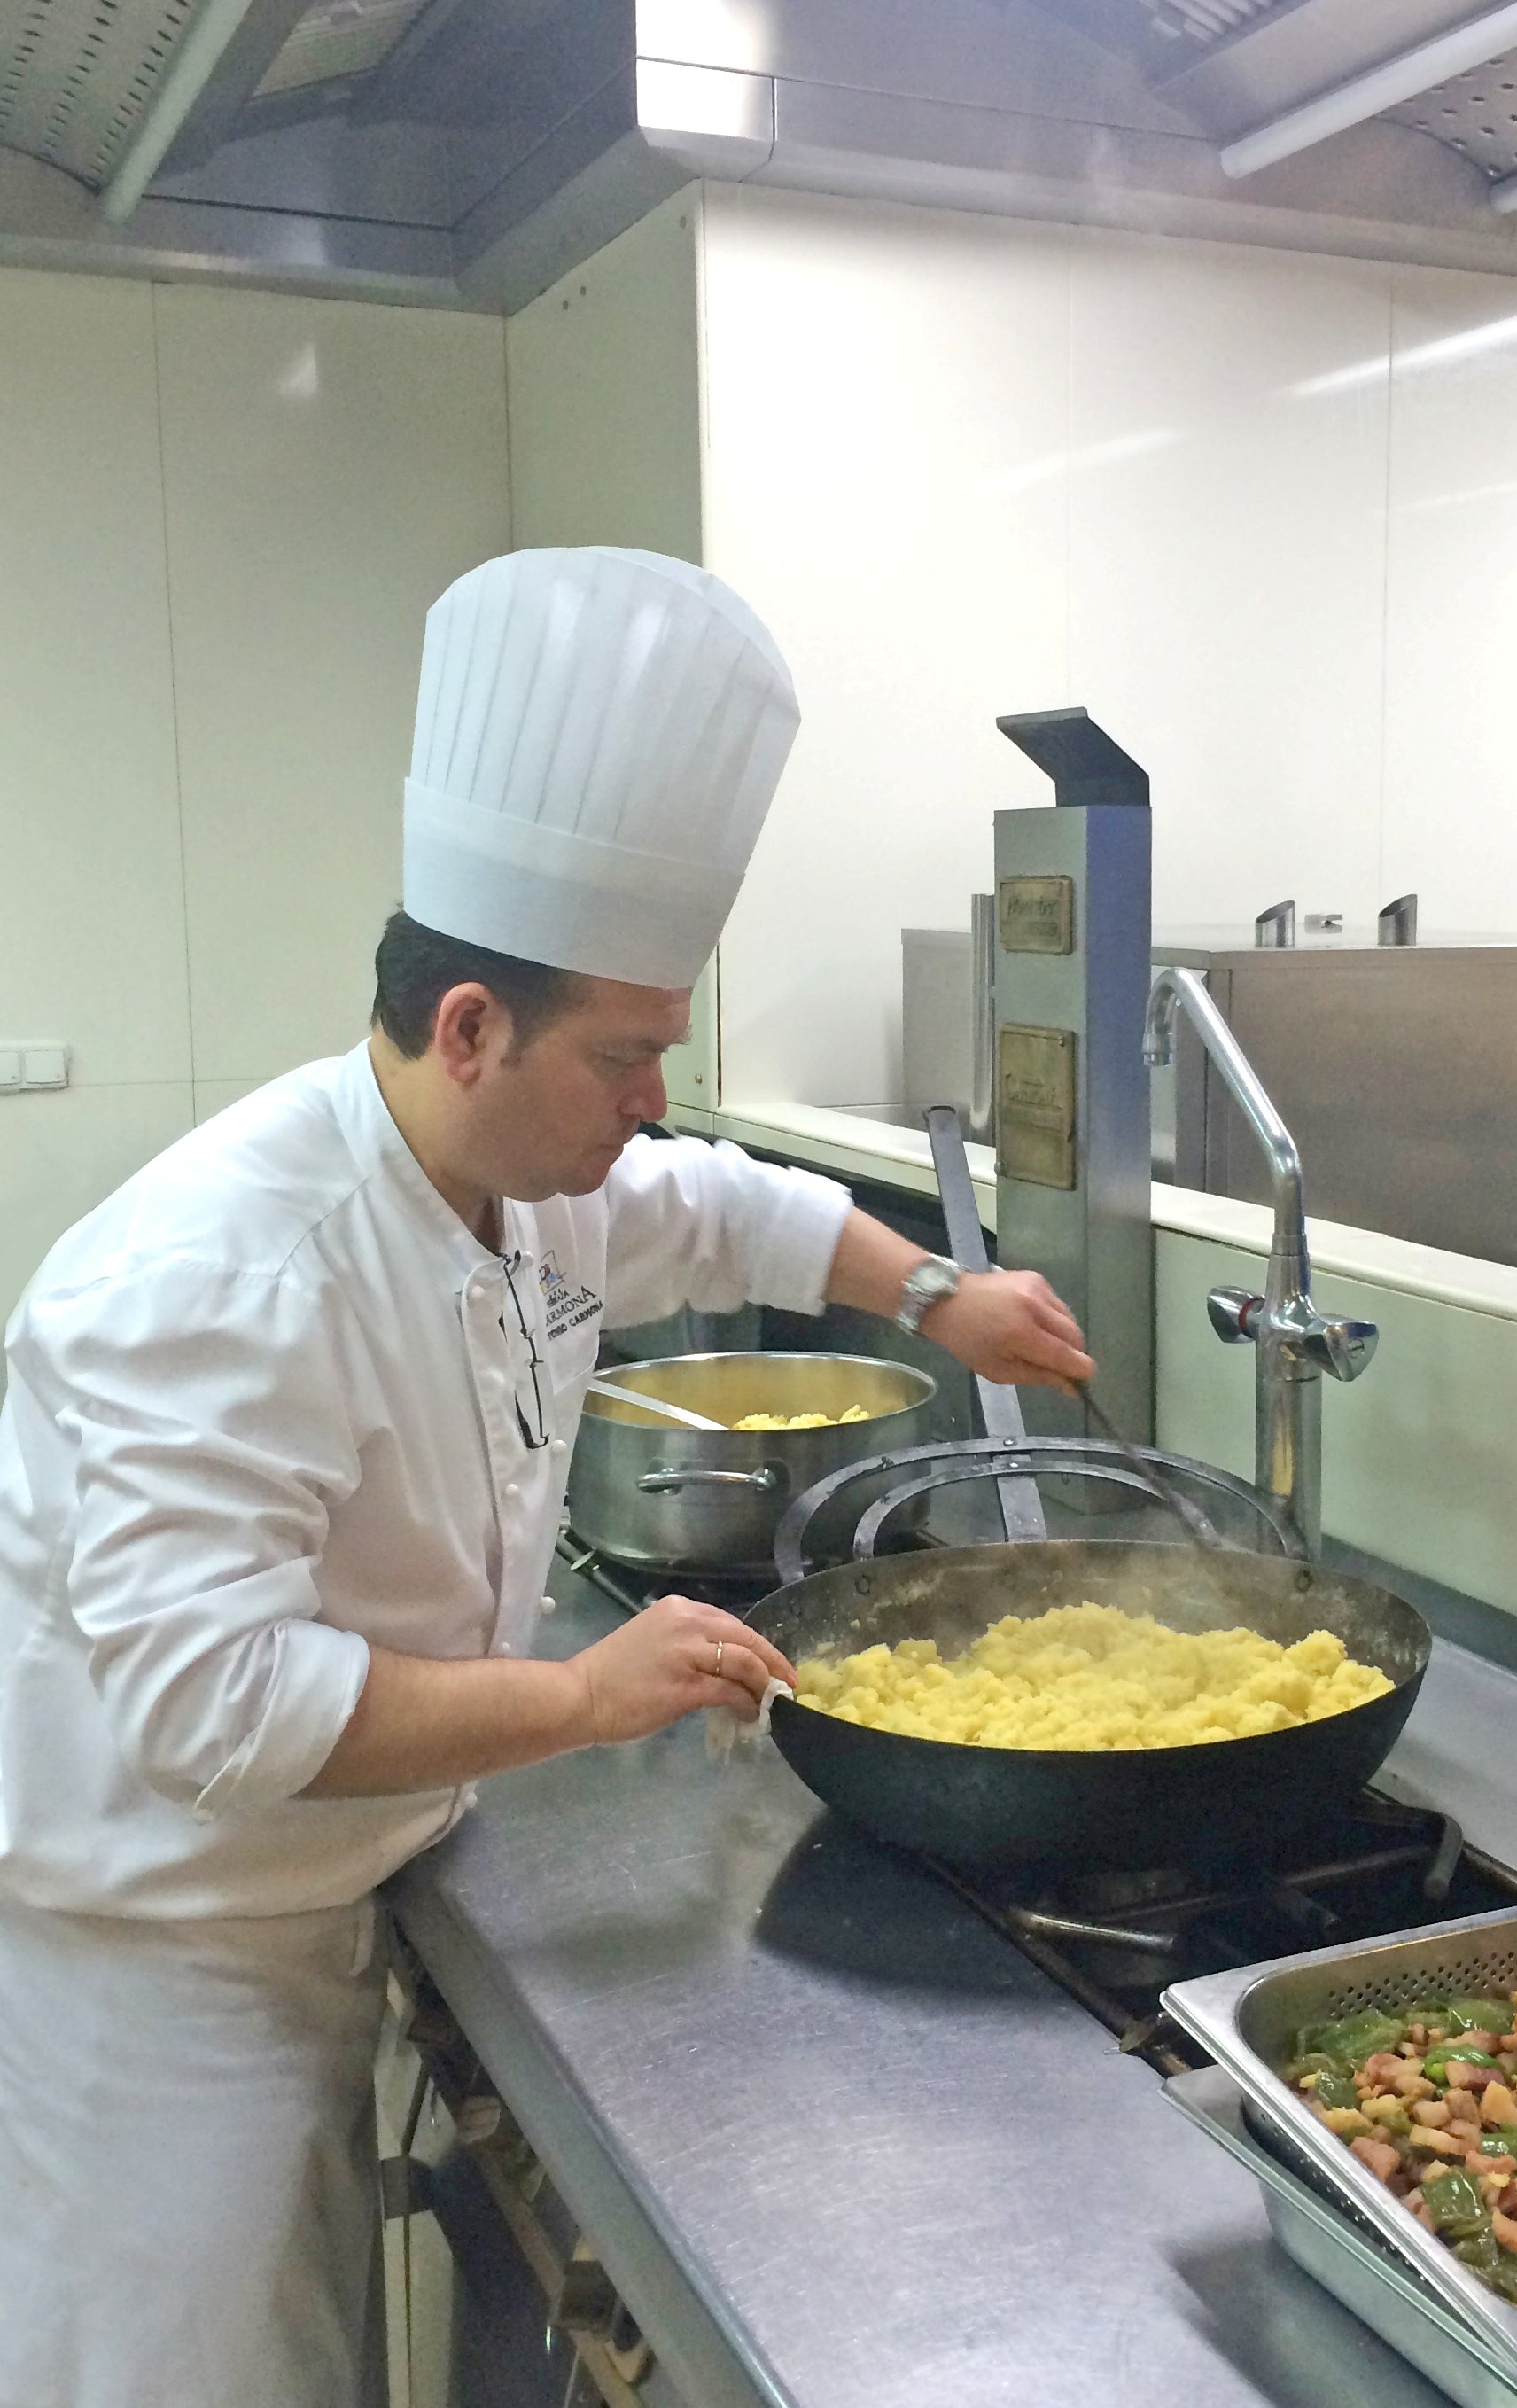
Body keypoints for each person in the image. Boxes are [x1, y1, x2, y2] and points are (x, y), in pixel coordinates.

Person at [0, 547, 1093, 2408]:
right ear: (470, 1029)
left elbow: (722, 1201)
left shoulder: (526, 1165)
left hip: (343, 1884)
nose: (651, 1101)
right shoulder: (221, 1275)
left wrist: (934, 1288)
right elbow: (213, 1703)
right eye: (631, 1056)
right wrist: (580, 1700)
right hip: (162, 1965)